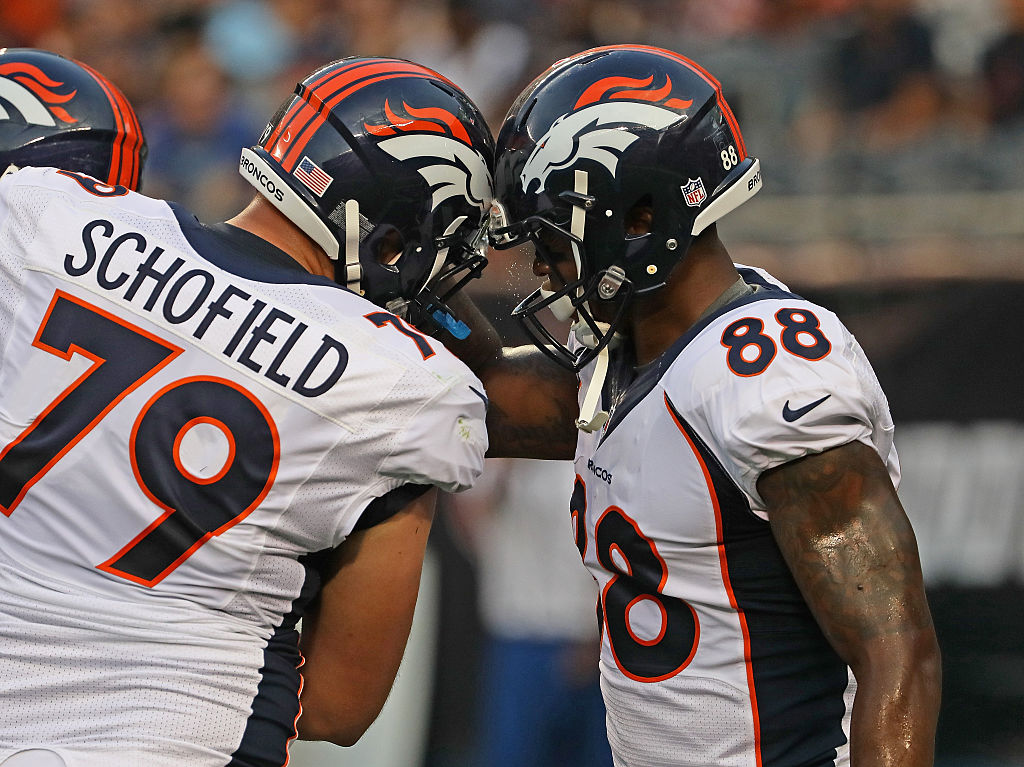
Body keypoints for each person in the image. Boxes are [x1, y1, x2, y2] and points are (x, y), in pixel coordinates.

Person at [450, 44, 942, 765]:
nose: (546, 266)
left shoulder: (766, 374)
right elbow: (481, 397)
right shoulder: (633, 352)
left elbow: (899, 658)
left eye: (556, 235)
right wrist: (407, 263)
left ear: (643, 218)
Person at [0, 51, 492, 767]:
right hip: (175, 737)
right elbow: (337, 705)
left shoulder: (43, 213)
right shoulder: (403, 385)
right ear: (390, 240)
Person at [447, 458, 613, 767]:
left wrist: (598, 630)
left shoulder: (600, 447)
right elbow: (468, 508)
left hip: (596, 642)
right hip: (520, 637)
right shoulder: (506, 448)